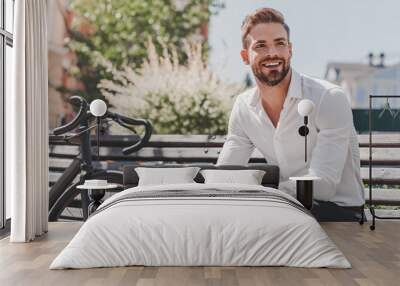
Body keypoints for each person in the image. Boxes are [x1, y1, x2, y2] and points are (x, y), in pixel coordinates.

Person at [216, 7, 365, 221]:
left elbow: (323, 186)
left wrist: (263, 191)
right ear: (245, 56)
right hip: (284, 208)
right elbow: (224, 176)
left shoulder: (328, 97)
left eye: (280, 43)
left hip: (339, 213)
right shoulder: (243, 106)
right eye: (261, 46)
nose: (273, 53)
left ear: (290, 50)